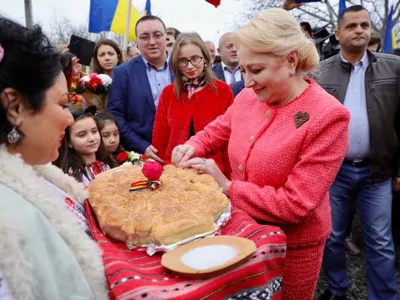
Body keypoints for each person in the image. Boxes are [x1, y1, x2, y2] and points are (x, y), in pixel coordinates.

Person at [172, 8, 349, 300]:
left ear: (291, 61)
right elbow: (218, 129)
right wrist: (193, 145)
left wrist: (228, 187)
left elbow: (296, 204)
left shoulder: (328, 117)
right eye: (243, 70)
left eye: (256, 70)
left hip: (293, 249)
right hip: (241, 230)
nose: (248, 80)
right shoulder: (247, 97)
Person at [0, 17, 107, 299]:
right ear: (15, 107)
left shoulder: (36, 176)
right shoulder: (6, 229)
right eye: (61, 103)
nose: (69, 118)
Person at [317, 5, 400, 300]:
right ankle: (338, 289)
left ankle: (385, 296)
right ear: (338, 34)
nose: (360, 30)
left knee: (380, 242)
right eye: (352, 26)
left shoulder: (393, 67)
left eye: (364, 25)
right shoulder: (320, 71)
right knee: (331, 237)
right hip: (334, 172)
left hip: (376, 173)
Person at [152, 32, 233, 175]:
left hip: (212, 173)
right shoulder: (168, 93)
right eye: (183, 60)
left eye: (195, 58)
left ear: (205, 58)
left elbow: (229, 141)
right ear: (176, 63)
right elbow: (160, 140)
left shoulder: (223, 91)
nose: (190, 66)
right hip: (175, 172)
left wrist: (229, 178)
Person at [108, 15, 174, 162]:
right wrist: (142, 146)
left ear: (166, 37)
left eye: (157, 35)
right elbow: (116, 115)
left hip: (182, 152)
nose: (152, 42)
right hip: (142, 155)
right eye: (144, 37)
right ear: (137, 41)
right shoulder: (122, 73)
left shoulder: (182, 67)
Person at [54, 110, 116, 186]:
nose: (92, 138)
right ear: (69, 142)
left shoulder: (107, 165)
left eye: (94, 131)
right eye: (82, 135)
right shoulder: (71, 177)